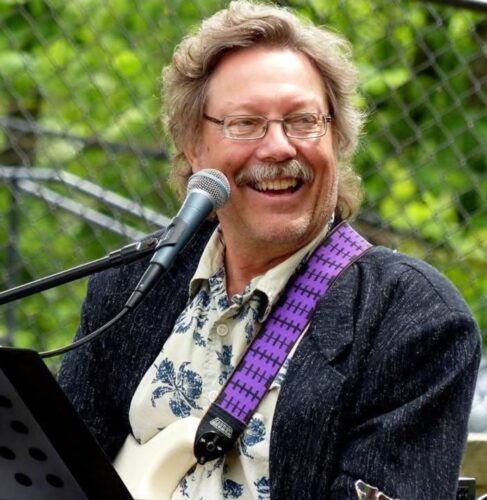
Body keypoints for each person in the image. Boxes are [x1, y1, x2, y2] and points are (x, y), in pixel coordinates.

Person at [58, 1, 481, 498]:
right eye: (245, 123)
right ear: (194, 147)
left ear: (337, 139)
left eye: (303, 121)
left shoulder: (413, 319)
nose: (279, 147)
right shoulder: (130, 287)